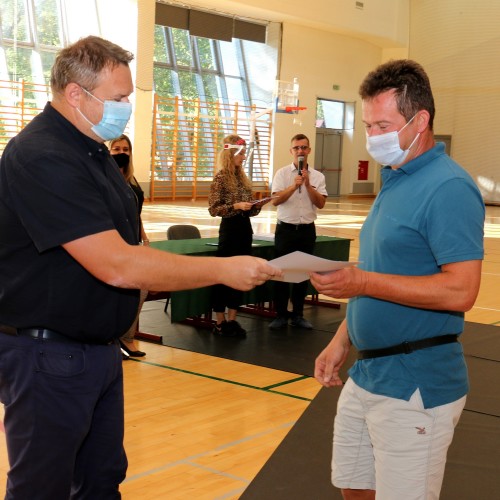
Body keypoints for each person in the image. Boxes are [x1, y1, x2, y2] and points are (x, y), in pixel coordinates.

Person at [0, 35, 282, 499]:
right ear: (75, 94)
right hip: (48, 358)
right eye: (118, 98)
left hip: (97, 351)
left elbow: (129, 242)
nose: (126, 107)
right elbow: (116, 263)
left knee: (101, 479)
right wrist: (221, 270)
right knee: (42, 488)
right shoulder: (42, 155)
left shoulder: (92, 151)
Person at [311, 59, 485, 500]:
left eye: (383, 124)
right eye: (368, 125)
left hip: (415, 382)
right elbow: (379, 271)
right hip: (368, 372)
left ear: (420, 120)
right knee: (353, 486)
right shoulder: (395, 179)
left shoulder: (448, 187)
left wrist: (361, 284)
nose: (373, 137)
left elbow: (462, 290)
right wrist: (342, 340)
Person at [208, 135, 272, 337]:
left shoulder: (242, 178)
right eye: (241, 153)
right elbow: (214, 208)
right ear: (231, 153)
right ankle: (219, 321)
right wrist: (235, 206)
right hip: (229, 229)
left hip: (245, 228)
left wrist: (257, 206)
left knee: (240, 274)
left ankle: (232, 320)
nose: (244, 157)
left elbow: (249, 210)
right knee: (223, 275)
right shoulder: (220, 178)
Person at [268, 133, 327, 330]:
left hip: (306, 230)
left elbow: (321, 203)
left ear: (309, 150)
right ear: (291, 151)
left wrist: (308, 185)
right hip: (285, 229)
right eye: (296, 148)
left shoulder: (318, 176)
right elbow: (275, 201)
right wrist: (294, 185)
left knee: (302, 273)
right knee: (282, 273)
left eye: (303, 147)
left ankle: (299, 315)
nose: (300, 151)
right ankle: (280, 315)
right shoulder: (282, 174)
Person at [109, 134, 147, 358]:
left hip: (134, 243)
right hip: (114, 244)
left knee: (140, 290)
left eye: (125, 149)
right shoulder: (104, 178)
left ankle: (127, 337)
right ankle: (113, 340)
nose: (122, 153)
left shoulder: (132, 181)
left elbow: (136, 214)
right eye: (116, 149)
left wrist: (144, 237)